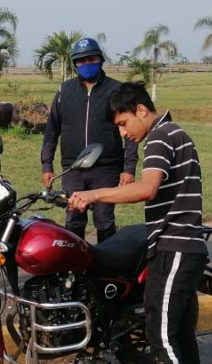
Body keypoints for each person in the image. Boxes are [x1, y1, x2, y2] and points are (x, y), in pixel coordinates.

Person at [68, 82, 207, 364]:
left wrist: (95, 193)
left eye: (123, 123)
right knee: (178, 331)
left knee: (160, 334)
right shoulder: (175, 133)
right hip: (183, 245)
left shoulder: (161, 137)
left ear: (142, 110)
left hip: (175, 246)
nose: (123, 132)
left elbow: (147, 188)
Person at [41, 37, 138, 243]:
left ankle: (106, 265)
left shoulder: (116, 90)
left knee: (104, 220)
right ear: (75, 64)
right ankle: (76, 269)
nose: (86, 64)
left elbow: (130, 131)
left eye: (91, 59)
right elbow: (52, 130)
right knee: (74, 219)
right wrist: (46, 164)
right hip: (73, 168)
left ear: (100, 59)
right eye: (81, 61)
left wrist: (129, 168)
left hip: (106, 168)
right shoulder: (64, 91)